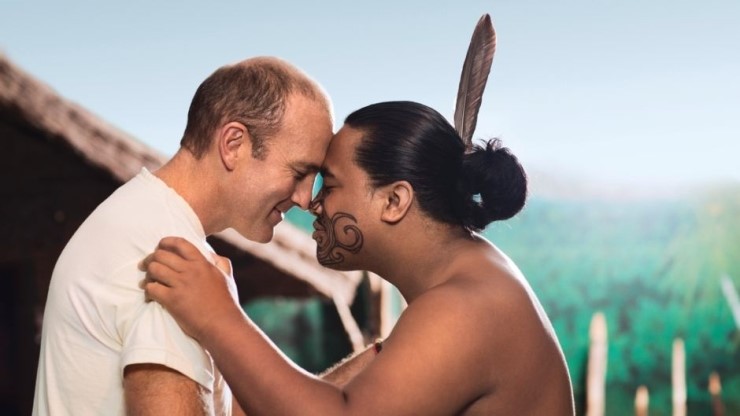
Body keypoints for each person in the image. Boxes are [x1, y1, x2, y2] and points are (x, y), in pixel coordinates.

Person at [143, 100, 576, 415]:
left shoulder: (466, 307)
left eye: (330, 186)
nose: (313, 204)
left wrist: (219, 317)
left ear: (394, 201)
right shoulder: (475, 275)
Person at [32, 57, 335, 415]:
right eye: (299, 172)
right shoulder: (171, 258)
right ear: (233, 144)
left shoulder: (147, 223)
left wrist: (375, 369)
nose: (305, 199)